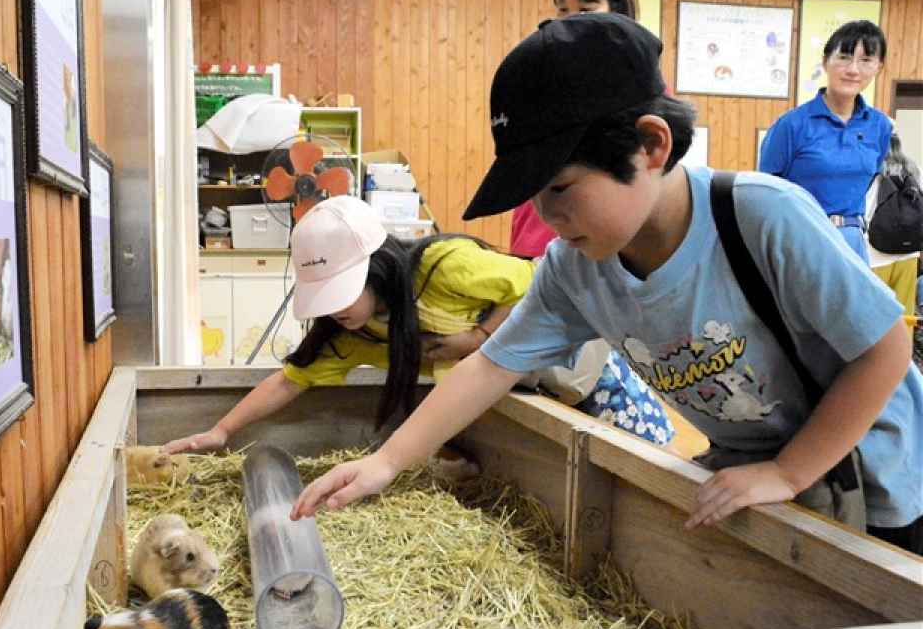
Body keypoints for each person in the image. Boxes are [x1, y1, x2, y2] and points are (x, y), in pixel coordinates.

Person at [291, 14, 923, 556]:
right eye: (535, 196)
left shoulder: (761, 216)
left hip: (873, 471)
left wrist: (788, 470)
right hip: (756, 467)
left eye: (560, 188)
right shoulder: (575, 267)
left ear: (650, 145)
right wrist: (385, 462)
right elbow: (491, 366)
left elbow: (886, 348)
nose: (546, 218)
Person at [165, 195, 675, 457]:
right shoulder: (356, 331)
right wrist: (221, 429)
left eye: (342, 291)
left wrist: (475, 339)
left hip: (586, 378)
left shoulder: (443, 266)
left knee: (656, 463)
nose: (335, 310)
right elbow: (288, 381)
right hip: (524, 401)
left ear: (376, 267)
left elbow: (541, 283)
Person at [510, 0, 639, 259]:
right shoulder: (541, 72)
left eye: (585, 9)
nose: (570, 21)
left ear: (616, 12)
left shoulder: (639, 81)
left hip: (598, 243)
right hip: (535, 237)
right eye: (563, 10)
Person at [760, 20, 893, 263]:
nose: (853, 69)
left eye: (866, 60)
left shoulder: (880, 126)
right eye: (843, 57)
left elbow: (871, 178)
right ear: (825, 62)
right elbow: (764, 190)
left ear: (879, 67)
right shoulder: (792, 125)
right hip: (800, 238)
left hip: (852, 242)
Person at [866, 132, 920, 338]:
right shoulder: (914, 170)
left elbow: (867, 210)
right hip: (908, 253)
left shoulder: (874, 172)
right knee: (903, 314)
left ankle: (875, 360)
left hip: (876, 253)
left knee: (874, 312)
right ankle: (903, 361)